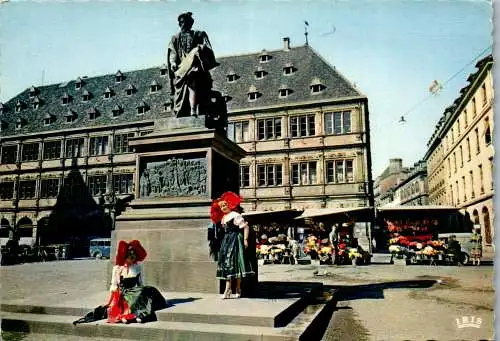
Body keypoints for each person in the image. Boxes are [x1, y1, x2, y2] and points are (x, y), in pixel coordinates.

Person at [167, 12, 219, 118]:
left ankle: (193, 110)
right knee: (188, 80)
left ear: (190, 24)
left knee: (194, 79)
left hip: (197, 68)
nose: (183, 25)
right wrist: (173, 63)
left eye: (185, 22)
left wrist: (202, 48)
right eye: (181, 22)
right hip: (181, 68)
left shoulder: (198, 34)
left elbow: (207, 49)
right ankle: (186, 110)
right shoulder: (175, 38)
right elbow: (173, 52)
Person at [105, 240, 167, 323]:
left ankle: (142, 315)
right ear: (125, 256)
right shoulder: (117, 269)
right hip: (124, 293)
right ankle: (128, 315)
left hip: (135, 291)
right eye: (130, 255)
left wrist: (141, 291)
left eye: (134, 255)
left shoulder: (137, 267)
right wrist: (109, 302)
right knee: (130, 298)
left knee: (148, 291)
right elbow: (114, 286)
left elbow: (140, 283)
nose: (132, 257)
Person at [211, 191, 254, 299]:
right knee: (227, 263)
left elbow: (245, 227)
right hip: (227, 241)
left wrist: (245, 239)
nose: (223, 207)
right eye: (221, 206)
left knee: (236, 262)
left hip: (235, 239)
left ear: (229, 204)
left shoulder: (235, 215)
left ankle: (235, 288)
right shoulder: (224, 218)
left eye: (224, 205)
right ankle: (229, 288)